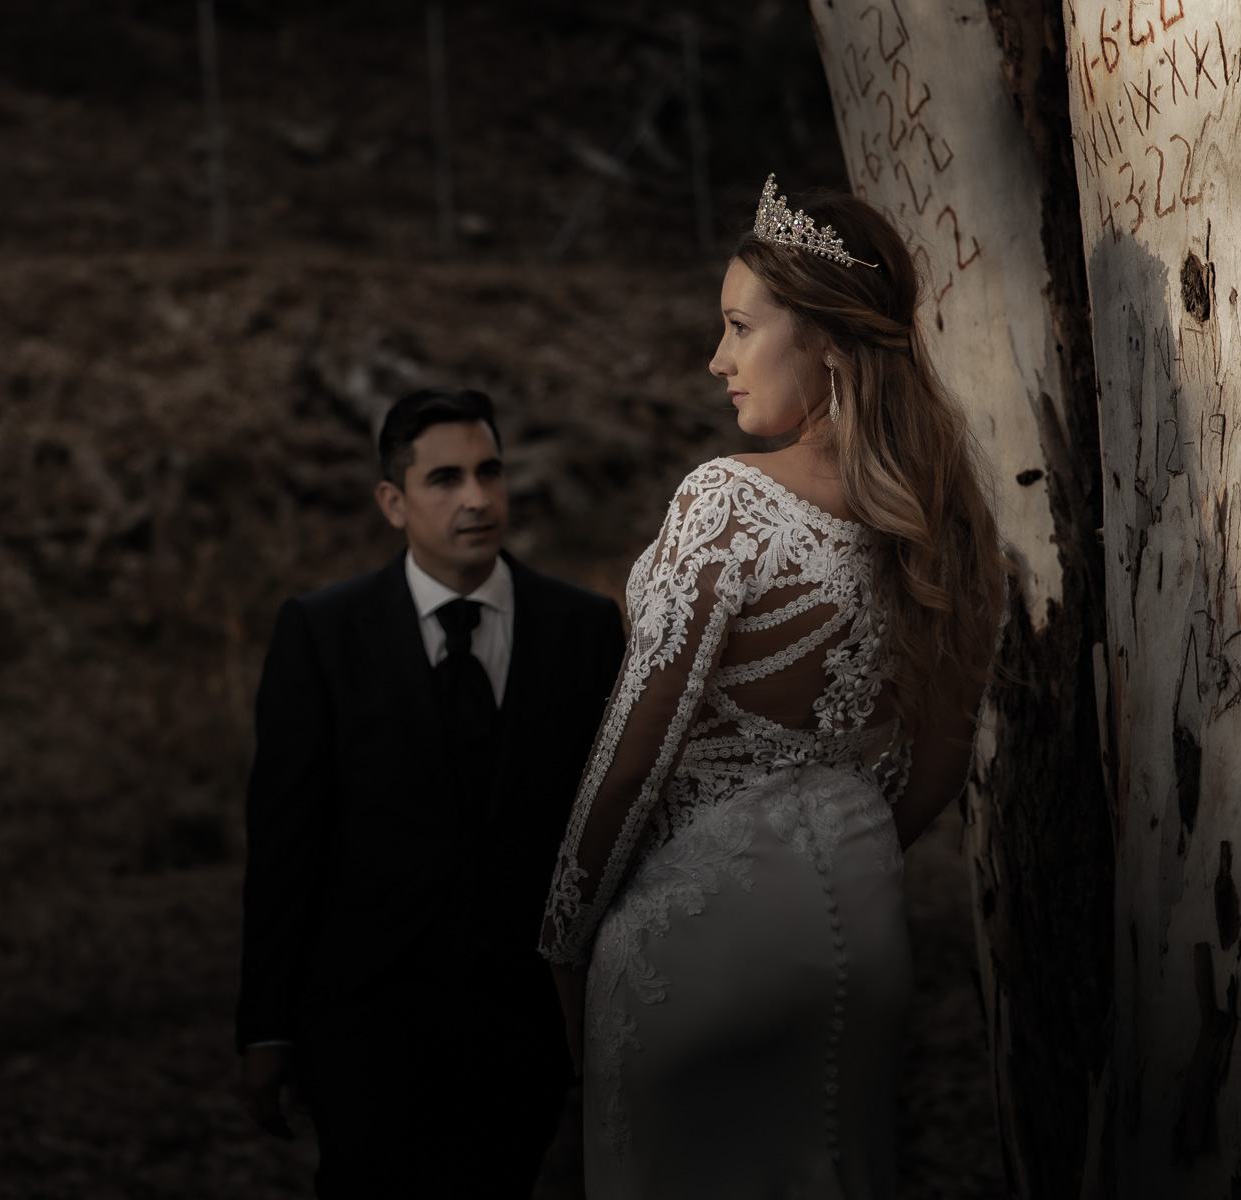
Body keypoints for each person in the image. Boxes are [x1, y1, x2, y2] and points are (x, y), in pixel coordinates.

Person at [538, 177, 1008, 1198]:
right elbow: (933, 768)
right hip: (858, 922)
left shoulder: (728, 503)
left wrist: (562, 941)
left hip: (697, 932)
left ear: (829, 342)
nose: (718, 360)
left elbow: (635, 749)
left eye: (741, 327)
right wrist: (822, 836)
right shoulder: (953, 522)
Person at [236, 387, 626, 1198]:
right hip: (365, 1017)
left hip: (525, 1020)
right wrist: (267, 1026)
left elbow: (613, 824)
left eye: (490, 472)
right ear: (393, 501)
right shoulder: (322, 632)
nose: (477, 499)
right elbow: (285, 839)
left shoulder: (583, 629)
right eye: (445, 478)